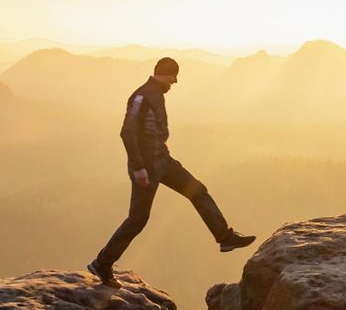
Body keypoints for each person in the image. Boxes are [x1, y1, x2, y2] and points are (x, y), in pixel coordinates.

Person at [88, 56, 255, 288]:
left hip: (163, 161)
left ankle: (225, 238)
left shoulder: (155, 94)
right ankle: (102, 263)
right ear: (164, 73)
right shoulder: (141, 96)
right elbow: (127, 132)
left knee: (197, 190)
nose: (175, 82)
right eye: (173, 76)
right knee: (138, 219)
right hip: (146, 166)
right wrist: (138, 167)